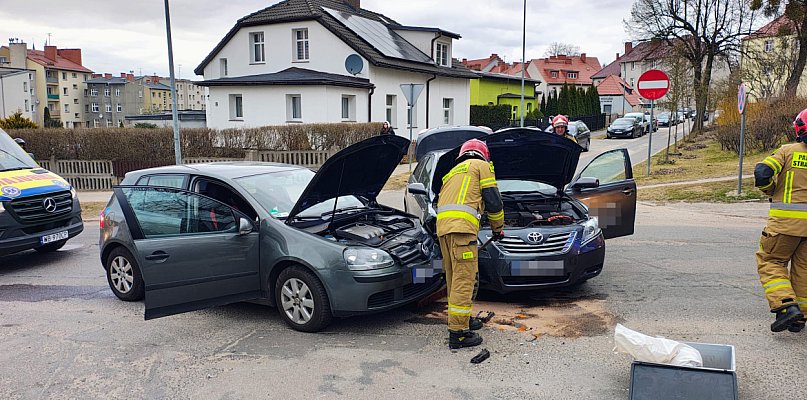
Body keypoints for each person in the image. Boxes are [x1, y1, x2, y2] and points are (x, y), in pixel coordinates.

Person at [436, 139, 505, 349]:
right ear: (483, 155)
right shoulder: (481, 166)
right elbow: (493, 201)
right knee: (464, 280)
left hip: (444, 231)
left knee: (454, 277)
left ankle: (462, 321)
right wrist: (497, 228)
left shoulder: (454, 171)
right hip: (462, 231)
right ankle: (458, 334)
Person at [753, 108, 807, 333]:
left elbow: (762, 172)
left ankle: (786, 307)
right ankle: (799, 317)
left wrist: (771, 190)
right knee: (804, 271)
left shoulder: (788, 151)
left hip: (784, 224)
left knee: (771, 262)